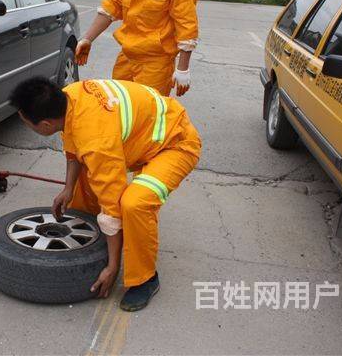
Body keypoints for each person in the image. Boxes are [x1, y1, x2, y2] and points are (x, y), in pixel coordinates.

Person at [10, 76, 202, 311]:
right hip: (143, 138)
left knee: (133, 204)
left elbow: (112, 205)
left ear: (46, 125)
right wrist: (68, 188)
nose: (26, 126)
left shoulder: (96, 140)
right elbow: (74, 148)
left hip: (175, 145)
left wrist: (113, 267)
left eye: (27, 123)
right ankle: (96, 244)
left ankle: (145, 279)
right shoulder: (70, 96)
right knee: (85, 183)